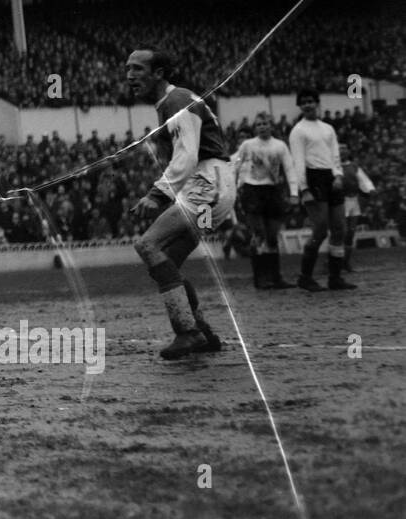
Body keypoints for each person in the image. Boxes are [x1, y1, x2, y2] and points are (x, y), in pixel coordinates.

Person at [126, 46, 231, 360]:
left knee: (147, 246)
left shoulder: (175, 101)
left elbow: (187, 155)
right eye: (128, 68)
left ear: (159, 73)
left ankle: (188, 333)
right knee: (167, 263)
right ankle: (202, 331)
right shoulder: (173, 101)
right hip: (217, 187)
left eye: (138, 69)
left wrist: (157, 193)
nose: (130, 75)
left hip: (207, 182)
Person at [288, 90, 356, 292]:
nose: (308, 105)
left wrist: (337, 175)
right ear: (300, 106)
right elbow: (297, 161)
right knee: (320, 229)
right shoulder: (298, 131)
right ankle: (305, 277)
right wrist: (304, 188)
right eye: (304, 102)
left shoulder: (328, 128)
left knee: (339, 228)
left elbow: (335, 155)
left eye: (311, 101)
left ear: (317, 103)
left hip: (330, 178)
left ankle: (335, 277)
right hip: (313, 177)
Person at [231, 112, 296, 290]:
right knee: (258, 234)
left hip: (273, 190)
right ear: (255, 127)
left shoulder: (280, 146)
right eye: (259, 124)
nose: (262, 127)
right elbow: (235, 165)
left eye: (265, 123)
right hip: (252, 191)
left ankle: (276, 277)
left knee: (272, 236)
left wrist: (294, 192)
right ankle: (260, 279)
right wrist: (231, 188)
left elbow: (289, 168)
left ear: (271, 125)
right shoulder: (247, 145)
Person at [339, 151, 374, 272]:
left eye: (344, 149)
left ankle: (346, 262)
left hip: (353, 200)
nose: (341, 151)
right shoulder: (335, 165)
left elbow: (363, 179)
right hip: (340, 200)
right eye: (339, 149)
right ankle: (334, 261)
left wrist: (369, 189)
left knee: (351, 232)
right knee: (341, 231)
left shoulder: (353, 166)